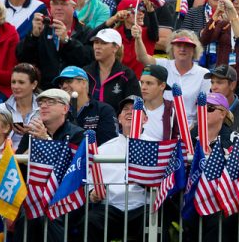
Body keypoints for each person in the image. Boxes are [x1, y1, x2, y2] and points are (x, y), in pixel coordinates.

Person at [13, 88, 85, 241]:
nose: (43, 106)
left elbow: (71, 170)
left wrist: (45, 140)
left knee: (52, 216)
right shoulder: (30, 134)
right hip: (35, 194)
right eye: (41, 102)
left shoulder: (77, 134)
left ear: (65, 109)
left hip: (65, 196)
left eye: (50, 102)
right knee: (26, 215)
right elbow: (19, 168)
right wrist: (24, 157)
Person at [86, 98, 146, 241]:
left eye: (136, 109)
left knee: (154, 220)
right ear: (119, 118)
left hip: (142, 206)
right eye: (125, 109)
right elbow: (90, 182)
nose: (130, 112)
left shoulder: (157, 147)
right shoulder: (102, 149)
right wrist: (92, 193)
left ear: (146, 119)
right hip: (111, 208)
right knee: (90, 221)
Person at [16, 0, 94, 89]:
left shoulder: (85, 31)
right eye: (55, 3)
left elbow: (87, 59)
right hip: (45, 89)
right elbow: (22, 57)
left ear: (74, 7)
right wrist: (33, 36)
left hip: (74, 88)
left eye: (63, 4)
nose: (58, 7)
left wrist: (67, 41)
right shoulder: (42, 29)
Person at [133, 29, 210, 127]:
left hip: (189, 127)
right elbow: (142, 58)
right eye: (178, 45)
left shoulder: (203, 74)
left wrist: (192, 131)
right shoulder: (163, 65)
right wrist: (138, 38)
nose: (182, 49)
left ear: (194, 49)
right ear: (172, 48)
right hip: (160, 124)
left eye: (187, 45)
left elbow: (205, 107)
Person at [54, 65, 118, 145]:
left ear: (84, 83)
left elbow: (109, 144)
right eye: (61, 83)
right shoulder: (59, 112)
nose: (64, 86)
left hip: (94, 156)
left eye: (68, 81)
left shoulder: (104, 110)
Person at [83, 28, 141, 114]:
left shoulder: (127, 75)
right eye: (96, 42)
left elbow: (136, 106)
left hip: (117, 125)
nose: (97, 47)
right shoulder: (85, 72)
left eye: (103, 43)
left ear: (115, 48)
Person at [0, 63, 41, 147]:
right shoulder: (2, 109)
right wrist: (8, 130)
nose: (15, 86)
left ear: (34, 84)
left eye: (21, 82)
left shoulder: (44, 108)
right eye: (13, 82)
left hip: (35, 155)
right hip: (7, 155)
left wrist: (31, 134)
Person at [204, 64, 239, 136]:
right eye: (212, 82)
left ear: (232, 85)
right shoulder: (205, 108)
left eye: (219, 82)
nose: (213, 87)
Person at [138, 64, 179, 140]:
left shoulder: (172, 111)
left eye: (149, 83)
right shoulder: (132, 107)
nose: (143, 87)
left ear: (162, 86)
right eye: (142, 82)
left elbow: (177, 142)